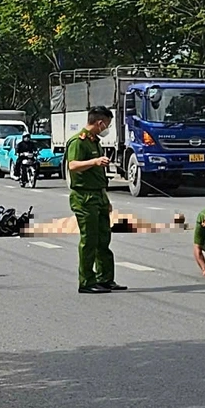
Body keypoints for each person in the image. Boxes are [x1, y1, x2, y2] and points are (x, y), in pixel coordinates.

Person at [64, 106, 124, 294]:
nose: (107, 128)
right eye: (107, 124)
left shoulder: (94, 142)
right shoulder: (78, 142)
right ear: (100, 123)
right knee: (89, 240)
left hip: (98, 195)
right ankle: (86, 281)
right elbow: (72, 166)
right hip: (84, 197)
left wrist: (105, 198)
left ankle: (105, 278)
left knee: (103, 238)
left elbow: (98, 175)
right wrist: (94, 162)